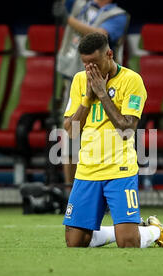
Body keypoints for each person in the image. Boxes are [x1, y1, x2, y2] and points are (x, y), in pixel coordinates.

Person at [62, 32, 163, 248]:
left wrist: (103, 94)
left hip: (119, 169)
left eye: (94, 63)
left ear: (109, 54)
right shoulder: (79, 81)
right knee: (75, 242)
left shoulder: (132, 81)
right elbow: (71, 130)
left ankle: (154, 231)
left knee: (129, 243)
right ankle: (123, 230)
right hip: (88, 169)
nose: (89, 70)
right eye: (85, 64)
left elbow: (127, 128)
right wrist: (87, 98)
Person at [53, 0, 129, 188]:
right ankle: (71, 191)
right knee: (71, 135)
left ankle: (105, 189)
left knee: (103, 136)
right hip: (74, 78)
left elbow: (100, 36)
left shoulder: (118, 15)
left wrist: (68, 20)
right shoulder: (82, 5)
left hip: (106, 83)